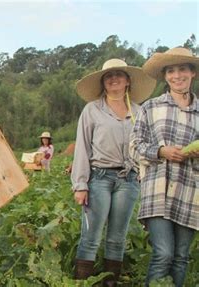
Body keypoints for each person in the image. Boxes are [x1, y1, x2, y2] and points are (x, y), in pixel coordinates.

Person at [71, 59, 156, 285]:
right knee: (91, 236)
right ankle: (83, 282)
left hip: (128, 180)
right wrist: (80, 184)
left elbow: (145, 147)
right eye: (108, 76)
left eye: (119, 74)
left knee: (117, 237)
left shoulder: (139, 112)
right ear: (103, 82)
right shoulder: (92, 110)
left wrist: (142, 171)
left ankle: (110, 282)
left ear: (128, 81)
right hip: (99, 177)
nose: (114, 79)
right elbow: (82, 147)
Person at [130, 47, 198, 287]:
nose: (177, 75)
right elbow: (135, 147)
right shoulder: (151, 107)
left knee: (181, 257)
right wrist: (161, 151)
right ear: (165, 76)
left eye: (182, 69)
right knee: (164, 254)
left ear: (193, 74)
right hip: (158, 189)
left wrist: (194, 154)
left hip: (191, 192)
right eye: (171, 71)